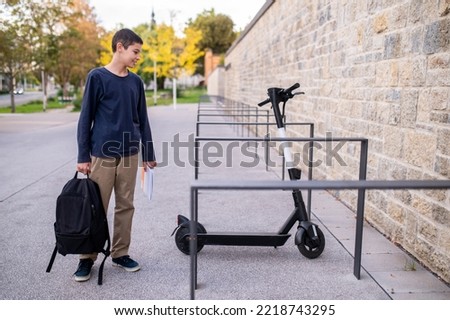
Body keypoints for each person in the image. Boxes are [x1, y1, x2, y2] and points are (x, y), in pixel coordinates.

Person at [75, 28, 157, 282]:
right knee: (96, 206)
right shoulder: (97, 77)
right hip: (102, 154)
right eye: (135, 51)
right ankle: (86, 258)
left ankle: (120, 253)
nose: (138, 57)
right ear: (120, 47)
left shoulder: (136, 82)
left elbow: (142, 119)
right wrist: (83, 155)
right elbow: (85, 118)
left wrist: (148, 153)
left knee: (126, 205)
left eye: (139, 53)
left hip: (130, 153)